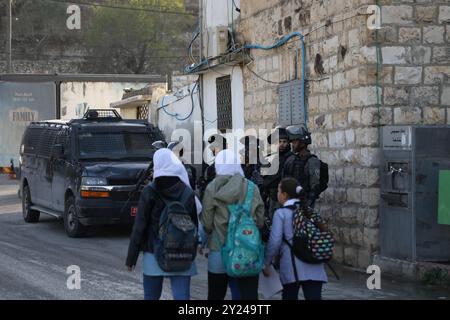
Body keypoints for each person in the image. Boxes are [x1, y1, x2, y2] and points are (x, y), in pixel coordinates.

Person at [125, 148, 201, 300]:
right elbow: (194, 225)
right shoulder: (187, 191)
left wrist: (131, 259)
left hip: (154, 254)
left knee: (151, 297)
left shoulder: (149, 191)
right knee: (182, 297)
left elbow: (139, 227)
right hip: (182, 254)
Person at [201, 149, 265, 300]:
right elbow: (260, 221)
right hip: (247, 250)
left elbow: (207, 224)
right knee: (247, 296)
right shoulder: (251, 187)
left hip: (219, 249)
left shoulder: (212, 188)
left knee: (216, 295)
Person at [263, 177, 327, 300]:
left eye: (278, 191)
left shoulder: (281, 213)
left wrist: (267, 262)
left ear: (284, 195)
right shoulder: (309, 211)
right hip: (314, 264)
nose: (277, 194)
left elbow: (275, 241)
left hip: (292, 266)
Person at [282, 125, 323, 208]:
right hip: (291, 201)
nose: (292, 144)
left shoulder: (312, 161)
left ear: (302, 143)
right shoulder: (292, 159)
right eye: (292, 142)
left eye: (295, 142)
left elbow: (314, 186)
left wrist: (307, 205)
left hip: (304, 203)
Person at [262, 127, 292, 222]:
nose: (282, 144)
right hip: (272, 198)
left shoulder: (291, 159)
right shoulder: (271, 158)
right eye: (279, 141)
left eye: (284, 141)